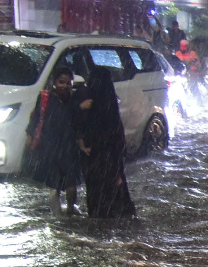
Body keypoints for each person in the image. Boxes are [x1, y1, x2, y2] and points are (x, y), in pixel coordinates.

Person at [75, 68, 135, 218]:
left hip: (95, 159)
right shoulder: (110, 106)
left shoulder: (89, 105)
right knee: (114, 200)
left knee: (97, 201)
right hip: (109, 160)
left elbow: (76, 126)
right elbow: (117, 138)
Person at [25, 65, 82, 215]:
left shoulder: (74, 100)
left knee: (71, 183)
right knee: (54, 185)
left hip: (70, 148)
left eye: (68, 83)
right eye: (61, 82)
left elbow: (80, 123)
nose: (64, 86)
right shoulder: (45, 98)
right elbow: (35, 118)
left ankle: (70, 210)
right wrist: (30, 137)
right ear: (54, 82)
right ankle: (57, 217)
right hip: (51, 148)